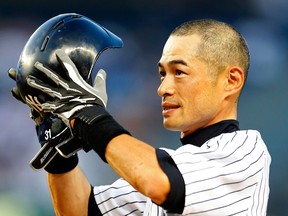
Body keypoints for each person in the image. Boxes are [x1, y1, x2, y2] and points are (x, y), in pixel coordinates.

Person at [9, 13, 271, 216]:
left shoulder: (245, 150)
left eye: (179, 72)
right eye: (162, 74)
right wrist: (59, 147)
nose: (163, 88)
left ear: (231, 80)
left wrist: (86, 114)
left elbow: (158, 182)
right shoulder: (170, 167)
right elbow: (80, 210)